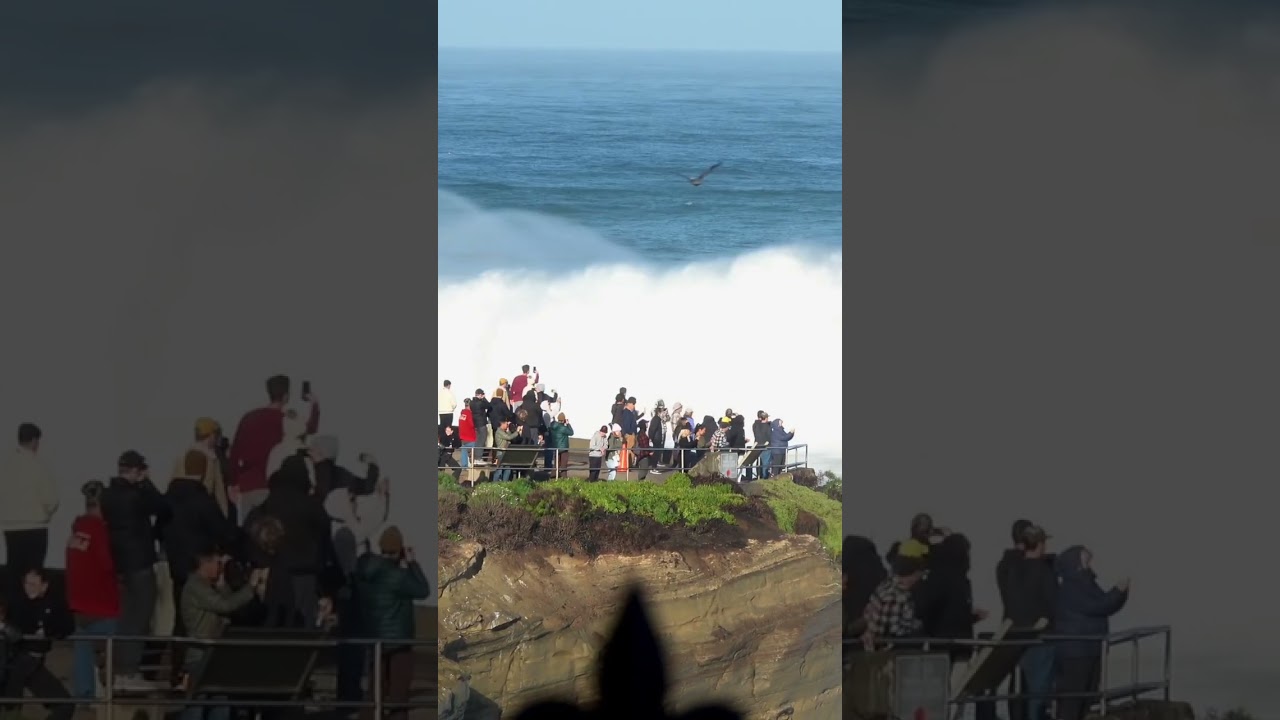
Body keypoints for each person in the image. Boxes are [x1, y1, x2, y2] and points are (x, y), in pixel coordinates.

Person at [162, 449, 241, 682]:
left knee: (181, 620)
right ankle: (202, 672)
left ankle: (178, 672)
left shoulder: (168, 499)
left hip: (177, 567)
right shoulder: (202, 500)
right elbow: (224, 532)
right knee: (207, 622)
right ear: (205, 470)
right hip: (202, 568)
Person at [100, 450, 169, 690]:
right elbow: (162, 506)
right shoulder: (135, 496)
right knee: (139, 617)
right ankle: (129, 672)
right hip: (139, 562)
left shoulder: (107, 495)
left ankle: (119, 671)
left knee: (126, 617)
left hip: (120, 563)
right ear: (136, 471)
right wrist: (147, 483)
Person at [179, 549, 268, 720]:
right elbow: (224, 606)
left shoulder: (209, 587)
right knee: (197, 707)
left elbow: (230, 607)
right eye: (218, 564)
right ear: (205, 563)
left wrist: (222, 585)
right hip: (200, 655)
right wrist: (251, 586)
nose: (221, 568)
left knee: (221, 706)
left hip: (216, 655)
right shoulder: (195, 586)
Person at [354, 526, 431, 720]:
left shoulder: (366, 573)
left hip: (374, 638)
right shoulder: (398, 576)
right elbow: (423, 590)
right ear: (399, 550)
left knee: (374, 690)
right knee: (399, 691)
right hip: (399, 641)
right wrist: (412, 564)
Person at [253, 455, 334, 628]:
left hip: (276, 571)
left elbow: (253, 528)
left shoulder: (269, 502)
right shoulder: (311, 505)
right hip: (306, 575)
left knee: (277, 623)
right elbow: (325, 534)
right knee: (303, 627)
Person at [229, 375, 320, 522]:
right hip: (272, 487)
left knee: (249, 536)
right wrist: (314, 404)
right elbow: (310, 428)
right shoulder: (286, 420)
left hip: (247, 487)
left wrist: (233, 483)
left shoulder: (248, 418)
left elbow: (235, 453)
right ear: (286, 396)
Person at [1054, 545, 1129, 720]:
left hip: (1088, 648)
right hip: (1076, 651)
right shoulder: (1072, 587)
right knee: (1073, 700)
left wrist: (1120, 594)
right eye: (1085, 559)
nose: (1089, 563)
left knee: (1086, 696)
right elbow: (1097, 606)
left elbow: (1104, 604)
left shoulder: (1086, 583)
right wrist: (1118, 591)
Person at [64, 481, 120, 700]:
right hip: (102, 604)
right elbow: (107, 565)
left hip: (78, 602)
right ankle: (113, 690)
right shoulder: (100, 531)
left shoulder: (77, 530)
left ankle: (83, 694)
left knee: (83, 649)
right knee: (114, 648)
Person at [0, 569, 75, 720]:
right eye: (27, 583)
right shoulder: (17, 602)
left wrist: (48, 630)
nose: (29, 587)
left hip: (34, 662)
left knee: (65, 705)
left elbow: (67, 627)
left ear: (44, 586)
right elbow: (16, 632)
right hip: (14, 662)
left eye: (34, 584)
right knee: (10, 706)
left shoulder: (55, 603)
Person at [1006, 525, 1058, 720]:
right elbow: (1054, 603)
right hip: (1042, 637)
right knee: (1039, 693)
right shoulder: (1044, 572)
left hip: (1018, 636)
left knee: (1021, 689)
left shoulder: (1013, 570)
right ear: (1040, 544)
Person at [1, 423, 59, 592]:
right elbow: (51, 499)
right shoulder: (38, 465)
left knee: (14, 573)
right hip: (35, 527)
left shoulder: (5, 465)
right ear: (34, 441)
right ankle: (31, 611)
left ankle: (13, 613)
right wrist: (46, 514)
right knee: (33, 575)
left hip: (11, 527)